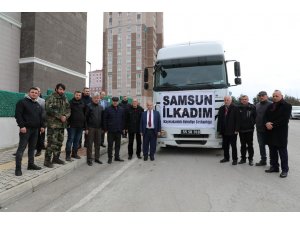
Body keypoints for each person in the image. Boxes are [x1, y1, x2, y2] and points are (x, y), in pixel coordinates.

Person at [14, 87, 45, 176]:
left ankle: (30, 165)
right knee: (21, 149)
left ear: (38, 94)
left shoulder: (37, 104)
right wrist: (21, 126)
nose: (34, 94)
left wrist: (42, 126)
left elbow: (40, 117)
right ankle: (18, 169)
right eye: (32, 92)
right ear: (28, 93)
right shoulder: (22, 102)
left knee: (32, 148)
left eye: (36, 93)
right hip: (26, 129)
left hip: (35, 130)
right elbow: (18, 115)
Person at [264, 90, 292, 178]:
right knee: (272, 151)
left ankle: (285, 170)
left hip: (281, 133)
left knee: (282, 152)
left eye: (277, 96)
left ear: (281, 96)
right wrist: (266, 123)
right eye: (273, 96)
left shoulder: (287, 106)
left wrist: (272, 124)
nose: (275, 97)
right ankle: (274, 167)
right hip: (270, 132)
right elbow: (265, 117)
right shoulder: (270, 106)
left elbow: (284, 120)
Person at [44, 83, 71, 168]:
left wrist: (66, 116)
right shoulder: (51, 97)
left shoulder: (65, 98)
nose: (61, 91)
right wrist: (60, 116)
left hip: (62, 125)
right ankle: (47, 161)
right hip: (53, 125)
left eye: (63, 89)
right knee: (51, 143)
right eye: (60, 89)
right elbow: (48, 109)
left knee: (59, 142)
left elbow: (68, 109)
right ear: (56, 89)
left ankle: (56, 158)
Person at [217, 96, 240, 165]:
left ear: (231, 100)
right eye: (225, 100)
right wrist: (219, 130)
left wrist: (237, 129)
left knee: (233, 146)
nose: (226, 101)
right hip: (224, 131)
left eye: (227, 100)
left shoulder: (235, 108)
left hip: (233, 131)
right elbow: (219, 120)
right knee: (225, 145)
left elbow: (238, 120)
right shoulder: (221, 108)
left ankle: (235, 159)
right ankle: (226, 158)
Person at [104, 97, 125, 164]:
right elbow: (105, 120)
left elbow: (123, 120)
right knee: (110, 145)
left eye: (116, 101)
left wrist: (123, 128)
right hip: (110, 131)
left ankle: (117, 157)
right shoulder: (108, 109)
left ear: (118, 102)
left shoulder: (121, 109)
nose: (115, 102)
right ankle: (110, 158)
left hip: (118, 130)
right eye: (114, 101)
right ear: (112, 101)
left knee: (118, 145)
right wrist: (106, 129)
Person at [65, 91, 86, 161]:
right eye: (76, 95)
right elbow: (67, 113)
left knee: (77, 141)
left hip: (80, 125)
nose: (78, 96)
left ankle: (74, 154)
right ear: (74, 95)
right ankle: (67, 155)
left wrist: (84, 125)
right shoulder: (70, 103)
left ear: (81, 96)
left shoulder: (83, 103)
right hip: (72, 125)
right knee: (70, 140)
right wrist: (68, 123)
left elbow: (84, 114)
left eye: (79, 95)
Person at [86, 92, 104, 166]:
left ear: (99, 99)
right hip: (91, 128)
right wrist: (86, 128)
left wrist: (102, 128)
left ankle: (97, 158)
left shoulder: (101, 107)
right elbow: (86, 118)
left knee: (98, 144)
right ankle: (89, 159)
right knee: (90, 144)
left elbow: (102, 118)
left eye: (98, 98)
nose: (96, 99)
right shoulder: (89, 106)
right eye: (95, 98)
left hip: (99, 128)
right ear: (92, 98)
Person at [237, 95, 256, 166]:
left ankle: (250, 159)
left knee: (250, 145)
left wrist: (252, 123)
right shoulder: (238, 107)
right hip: (241, 130)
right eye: (243, 99)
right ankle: (243, 159)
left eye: (245, 99)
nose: (244, 100)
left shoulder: (252, 107)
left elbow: (255, 117)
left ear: (248, 99)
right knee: (243, 145)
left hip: (250, 129)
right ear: (241, 100)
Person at [255, 91, 272, 166]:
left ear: (266, 96)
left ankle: (273, 162)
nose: (261, 97)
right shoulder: (257, 105)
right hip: (259, 129)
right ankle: (263, 160)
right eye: (260, 96)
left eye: (263, 95)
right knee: (261, 145)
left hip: (269, 130)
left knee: (271, 146)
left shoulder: (271, 104)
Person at [35, 87, 46, 157]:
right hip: (30, 122)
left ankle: (39, 150)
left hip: (40, 122)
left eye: (38, 91)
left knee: (40, 137)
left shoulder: (42, 101)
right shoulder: (26, 99)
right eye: (36, 91)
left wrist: (43, 125)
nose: (37, 92)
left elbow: (44, 113)